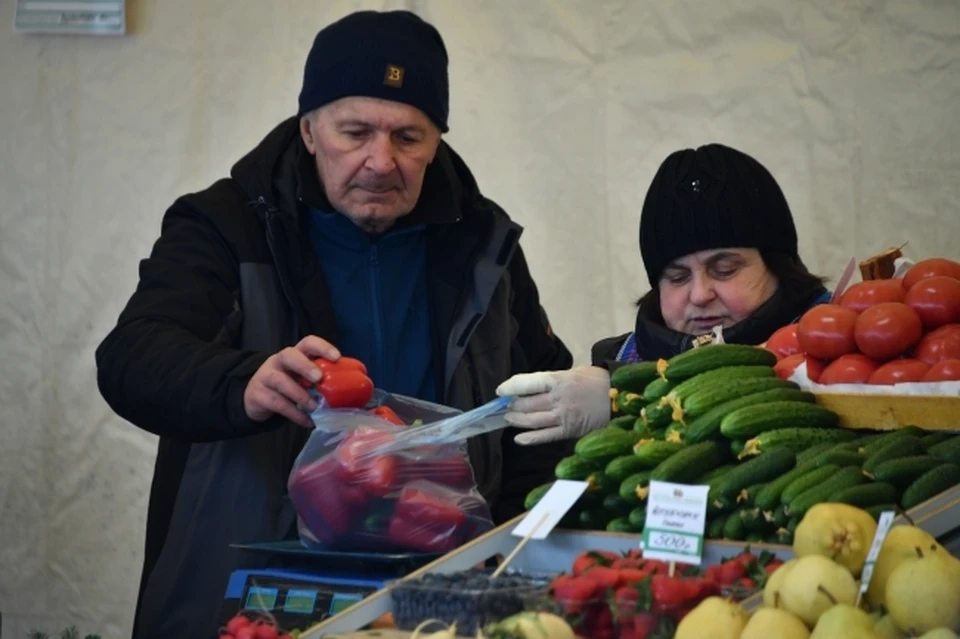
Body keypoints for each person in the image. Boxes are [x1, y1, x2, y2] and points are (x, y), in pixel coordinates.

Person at [95, 10, 572, 639]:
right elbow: (131, 358)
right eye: (355, 132)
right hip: (246, 599)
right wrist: (243, 382)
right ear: (309, 130)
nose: (380, 161)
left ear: (439, 139)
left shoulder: (485, 244)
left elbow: (536, 418)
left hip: (438, 603)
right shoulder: (224, 224)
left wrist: (514, 563)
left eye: (408, 137)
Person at [497, 143, 830, 445]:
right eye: (677, 276)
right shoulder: (615, 365)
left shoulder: (844, 349)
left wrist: (630, 397)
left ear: (779, 267)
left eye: (725, 269)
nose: (699, 294)